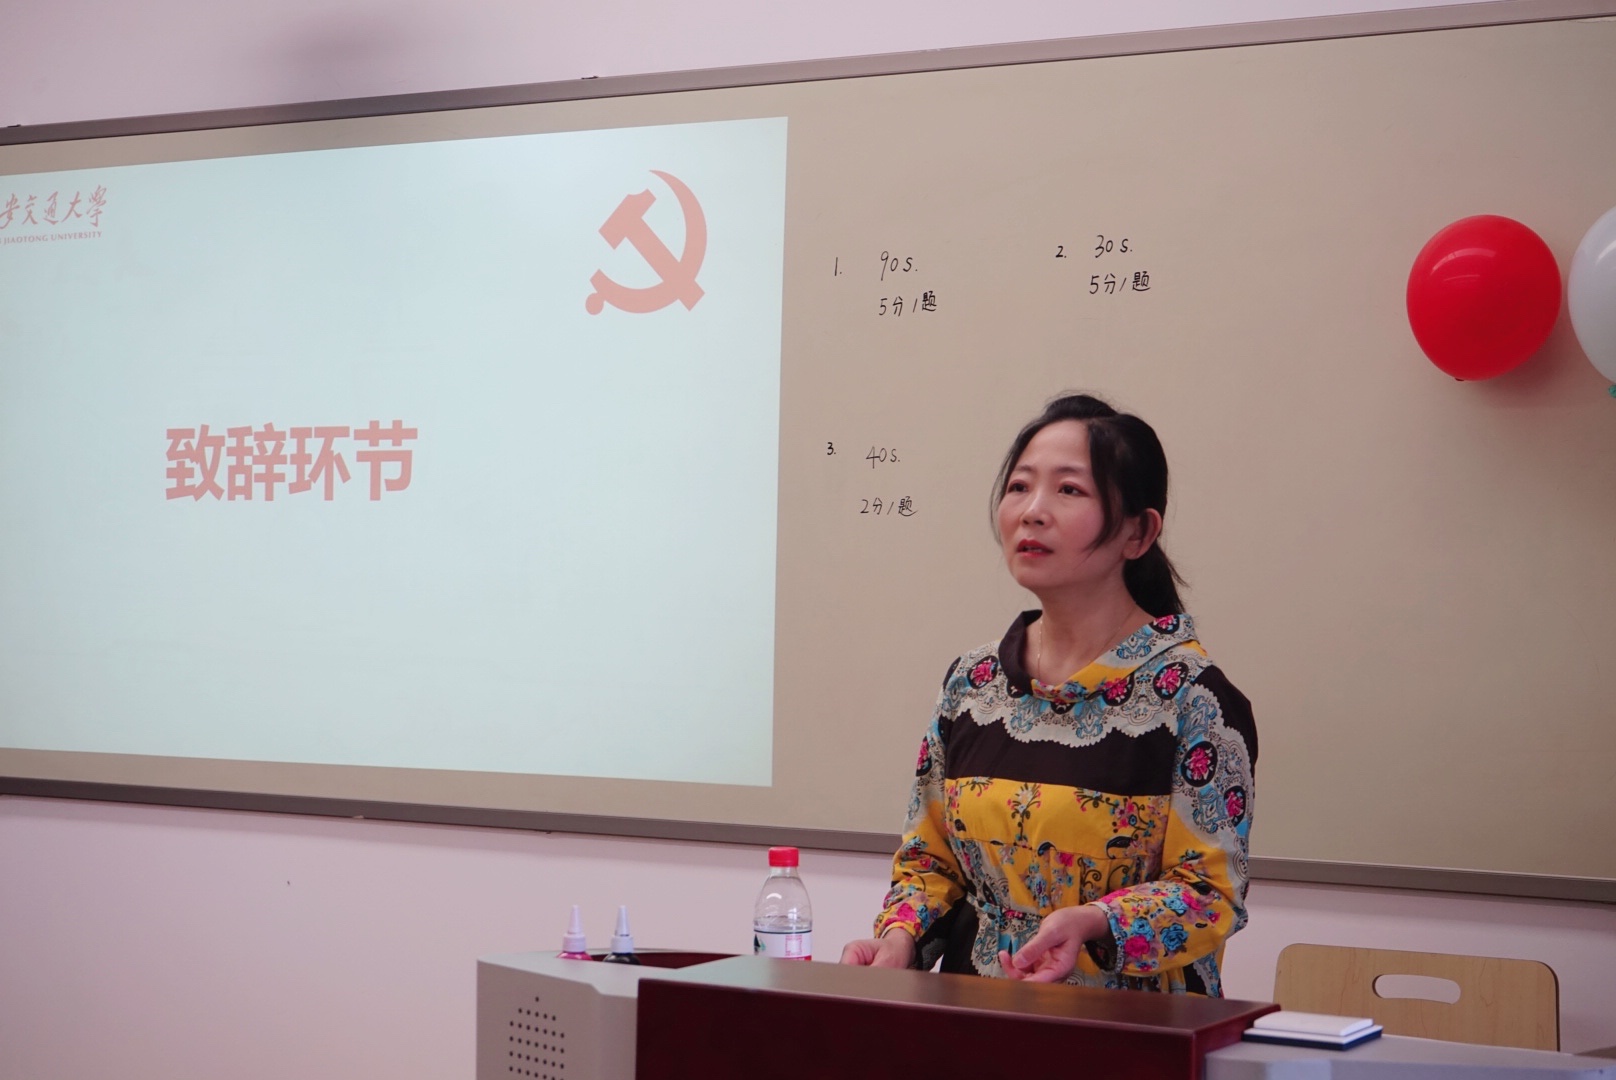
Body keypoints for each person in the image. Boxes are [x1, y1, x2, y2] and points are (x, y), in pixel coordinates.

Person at [839, 393, 1256, 994]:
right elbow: (930, 864)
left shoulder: (1194, 699)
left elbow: (1210, 894)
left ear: (1138, 531)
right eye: (1019, 486)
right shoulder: (972, 685)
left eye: (1069, 490)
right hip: (975, 1017)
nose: (1032, 512)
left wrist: (1096, 922)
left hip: (1129, 1028)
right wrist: (900, 938)